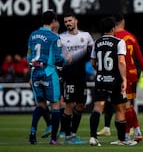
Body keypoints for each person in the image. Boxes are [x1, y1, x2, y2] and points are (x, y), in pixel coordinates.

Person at [97, 14, 143, 142]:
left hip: (120, 75)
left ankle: (126, 135)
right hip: (132, 74)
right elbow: (139, 57)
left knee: (124, 107)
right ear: (123, 22)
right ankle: (137, 131)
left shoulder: (114, 38)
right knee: (127, 105)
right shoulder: (131, 36)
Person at [89, 17, 137, 146]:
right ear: (113, 28)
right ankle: (121, 140)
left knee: (98, 107)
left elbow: (93, 62)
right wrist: (124, 79)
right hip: (114, 79)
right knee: (120, 108)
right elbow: (121, 61)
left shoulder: (97, 42)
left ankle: (93, 137)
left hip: (100, 78)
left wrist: (100, 70)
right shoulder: (119, 42)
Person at [27, 10, 71, 145]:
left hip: (35, 72)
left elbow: (29, 55)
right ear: (53, 21)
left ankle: (32, 131)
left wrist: (30, 72)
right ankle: (53, 139)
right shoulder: (54, 37)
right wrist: (66, 60)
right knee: (55, 104)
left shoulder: (33, 35)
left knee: (41, 104)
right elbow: (58, 57)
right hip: (48, 72)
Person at [59, 13, 94, 144]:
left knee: (81, 105)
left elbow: (92, 50)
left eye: (69, 21)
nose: (67, 23)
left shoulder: (86, 36)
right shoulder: (61, 38)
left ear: (76, 21)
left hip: (81, 76)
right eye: (65, 21)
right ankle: (67, 136)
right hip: (68, 75)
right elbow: (56, 55)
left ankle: (73, 133)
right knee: (69, 104)